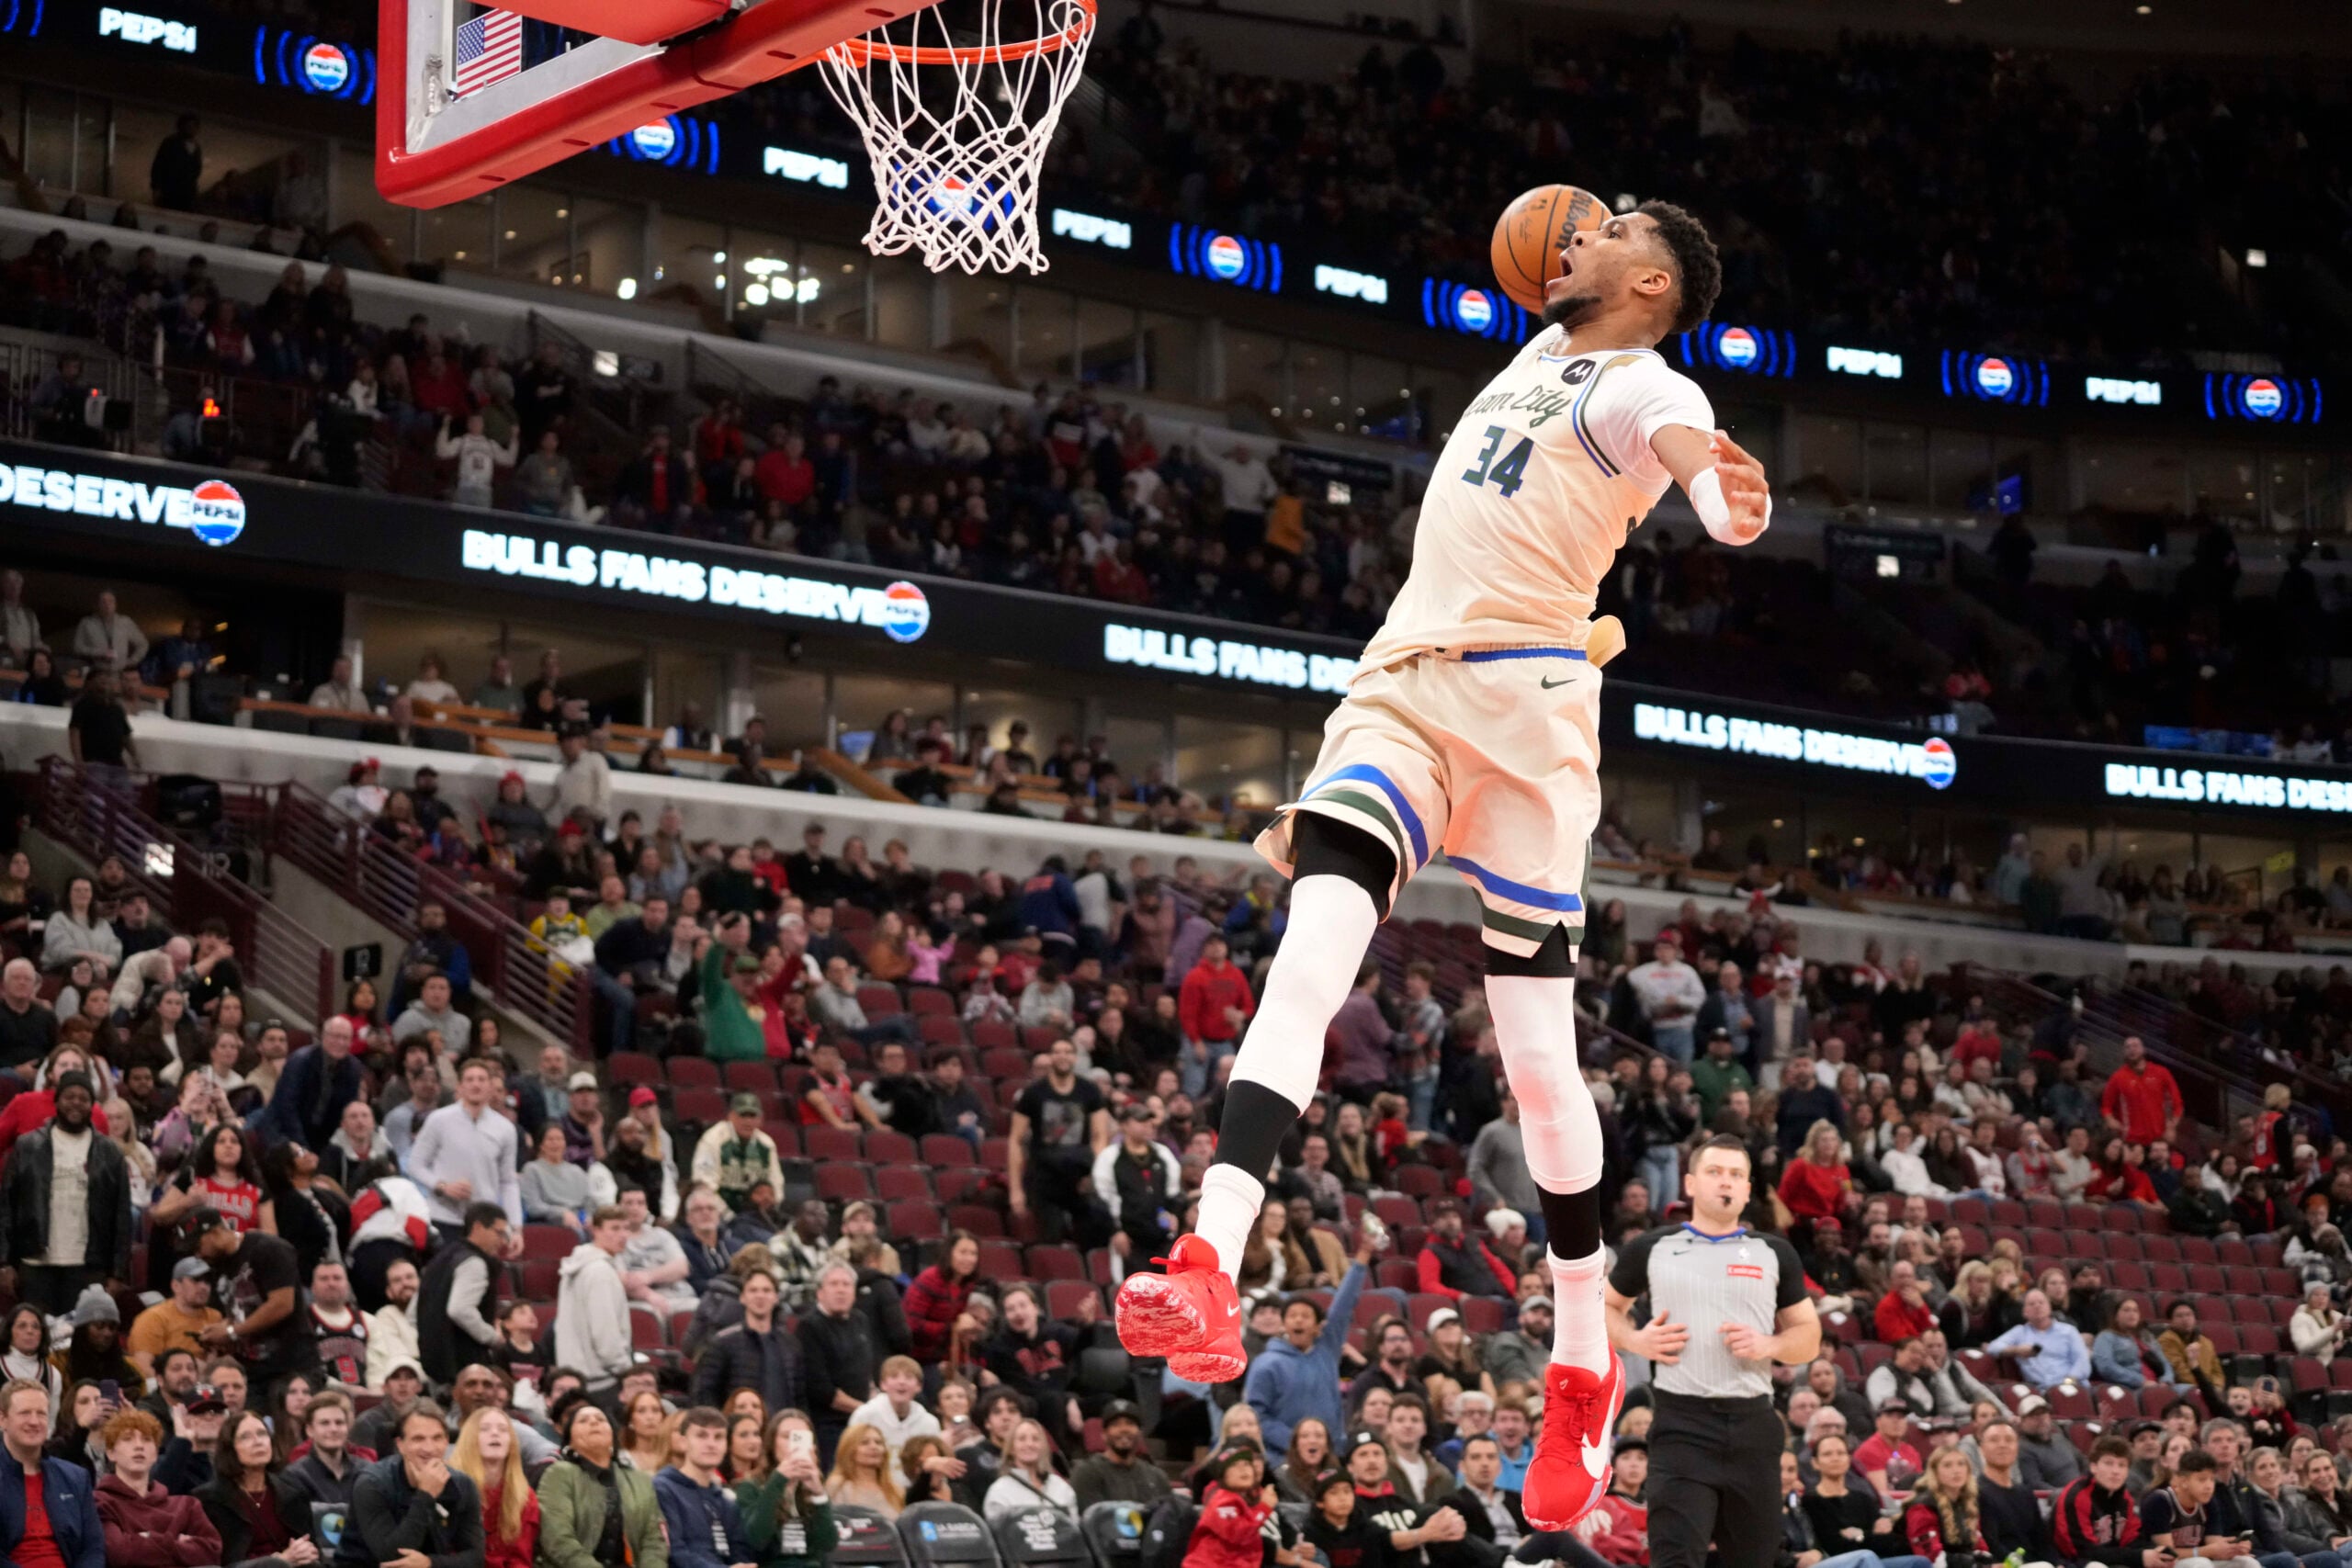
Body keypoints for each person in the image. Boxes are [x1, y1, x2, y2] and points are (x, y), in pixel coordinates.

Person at [1116, 202, 1758, 1535]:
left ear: (1651, 279)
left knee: (1536, 1059)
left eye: (1608, 231)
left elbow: (1685, 447)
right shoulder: (1541, 351)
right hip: (1402, 694)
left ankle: (1583, 1351)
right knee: (1312, 952)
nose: (1569, 237)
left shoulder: (1648, 378)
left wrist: (1717, 493)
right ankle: (1207, 1260)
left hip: (1527, 717)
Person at [1606, 1135, 1822, 1565]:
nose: (1725, 1182)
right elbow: (1604, 1309)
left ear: (1746, 1190)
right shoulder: (1652, 1247)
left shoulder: (1774, 1253)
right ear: (1690, 1183)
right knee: (1676, 1558)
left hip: (1754, 1427)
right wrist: (1634, 1339)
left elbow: (1809, 1337)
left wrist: (1770, 1343)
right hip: (1681, 1426)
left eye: (1736, 1175)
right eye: (1714, 1172)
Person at [0, 1071, 132, 1315]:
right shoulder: (27, 1146)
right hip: (35, 1263)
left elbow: (121, 1216)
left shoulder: (110, 1153)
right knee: (38, 1339)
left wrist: (118, 1272)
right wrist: (4, 1262)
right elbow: (6, 1207)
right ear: (57, 1101)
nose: (76, 1103)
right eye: (70, 1096)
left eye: (83, 1098)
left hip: (88, 1266)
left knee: (77, 1343)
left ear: (92, 1105)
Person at [339, 1403, 484, 1568]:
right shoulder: (371, 1484)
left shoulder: (463, 1485)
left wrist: (430, 1563)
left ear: (446, 1441)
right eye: (418, 1439)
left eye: (437, 1438)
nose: (429, 1448)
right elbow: (392, 1557)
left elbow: (475, 1558)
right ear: (401, 1445)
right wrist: (426, 1495)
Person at [181, 1208, 308, 1389]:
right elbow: (240, 1311)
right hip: (252, 1369)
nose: (198, 1255)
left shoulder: (268, 1248)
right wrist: (221, 1329)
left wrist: (232, 1332)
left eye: (197, 1246)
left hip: (291, 1367)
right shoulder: (219, 1264)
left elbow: (282, 1304)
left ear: (215, 1233)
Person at [1008, 1037, 1110, 1246]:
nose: (1062, 1056)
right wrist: (1015, 1189)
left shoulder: (1089, 1091)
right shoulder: (1034, 1093)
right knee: (1050, 1240)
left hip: (1079, 1176)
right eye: (1057, 1051)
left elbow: (1100, 1136)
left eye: (1067, 1051)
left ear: (1075, 1057)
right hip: (1044, 1177)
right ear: (1050, 1057)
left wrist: (1095, 1173)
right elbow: (1015, 1140)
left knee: (1090, 1237)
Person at [537, 1403, 665, 1568]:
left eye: (600, 1419)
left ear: (613, 1436)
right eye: (583, 1421)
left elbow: (654, 1540)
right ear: (570, 1441)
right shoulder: (559, 1474)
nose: (594, 1422)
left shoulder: (640, 1480)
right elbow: (557, 1538)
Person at [95, 1407, 221, 1567]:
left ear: (155, 1453)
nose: (139, 1446)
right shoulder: (101, 1503)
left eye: (147, 1439)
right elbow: (121, 1554)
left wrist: (148, 1538)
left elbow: (212, 1552)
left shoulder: (187, 1505)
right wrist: (176, 1542)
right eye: (128, 1439)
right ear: (111, 1453)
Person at [195, 1409, 317, 1568]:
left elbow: (311, 1544)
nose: (258, 1441)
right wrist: (280, 1560)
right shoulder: (209, 1499)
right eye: (245, 1437)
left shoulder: (293, 1491)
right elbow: (219, 1559)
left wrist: (307, 1551)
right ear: (230, 1448)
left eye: (262, 1434)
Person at [0, 1378, 102, 1568]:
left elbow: (93, 1547)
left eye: (41, 1413)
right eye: (24, 1413)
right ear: (2, 1419)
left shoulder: (76, 1478)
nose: (34, 1421)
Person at [419, 1204, 510, 1389]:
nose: (502, 1241)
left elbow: (416, 1310)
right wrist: (492, 1337)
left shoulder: (441, 1258)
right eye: (498, 1233)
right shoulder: (474, 1263)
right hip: (463, 1366)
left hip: (434, 1365)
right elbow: (460, 1310)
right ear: (477, 1227)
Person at [691, 1270, 802, 1415]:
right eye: (753, 1290)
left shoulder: (791, 1345)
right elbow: (704, 1393)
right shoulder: (722, 1343)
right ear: (743, 1297)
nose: (760, 1295)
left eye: (766, 1290)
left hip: (781, 1430)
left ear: (776, 1297)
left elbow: (800, 1398)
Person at [734, 1412, 833, 1568]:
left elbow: (828, 1543)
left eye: (802, 1437)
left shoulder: (812, 1486)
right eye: (787, 1436)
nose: (795, 1444)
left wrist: (819, 1495)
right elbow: (757, 1539)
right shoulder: (751, 1487)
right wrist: (778, 1481)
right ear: (772, 1443)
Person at [554, 1208, 633, 1401]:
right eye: (614, 1228)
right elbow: (604, 1332)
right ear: (595, 1230)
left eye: (625, 1228)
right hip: (601, 1381)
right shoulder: (600, 1272)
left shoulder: (579, 1264)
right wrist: (625, 1368)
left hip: (577, 1376)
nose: (622, 1235)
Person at [654, 1408, 751, 1568]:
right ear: (684, 1442)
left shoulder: (726, 1501)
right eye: (701, 1435)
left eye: (718, 1437)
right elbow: (675, 1552)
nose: (711, 1444)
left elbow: (740, 1552)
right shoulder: (664, 1489)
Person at [2141, 1450, 2264, 1568]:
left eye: (2212, 1479)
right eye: (2202, 1479)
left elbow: (2213, 1543)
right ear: (2184, 1481)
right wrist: (2208, 1551)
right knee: (2201, 1564)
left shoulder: (2209, 1502)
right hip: (2164, 1564)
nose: (2209, 1486)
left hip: (2198, 1561)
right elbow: (2167, 1554)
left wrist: (2232, 1548)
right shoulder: (2160, 1501)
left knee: (2246, 1563)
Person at [448, 1408, 537, 1568]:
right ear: (470, 1440)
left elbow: (521, 1559)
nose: (495, 1433)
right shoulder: (449, 1486)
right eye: (485, 1429)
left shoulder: (525, 1496)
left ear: (512, 1444)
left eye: (503, 1430)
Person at [2053, 1435, 2152, 1568]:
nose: (2115, 1471)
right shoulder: (2076, 1496)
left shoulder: (2125, 1498)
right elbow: (2083, 1552)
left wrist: (2153, 1552)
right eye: (2108, 1463)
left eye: (2122, 1465)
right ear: (2093, 1467)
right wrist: (2138, 1557)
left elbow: (2132, 1538)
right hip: (2071, 1562)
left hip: (2111, 1560)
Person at [1184, 1444, 1278, 1568]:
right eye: (1234, 1465)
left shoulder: (1242, 1499)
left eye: (1246, 1464)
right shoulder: (1222, 1501)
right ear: (1223, 1476)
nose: (1243, 1469)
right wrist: (1264, 1507)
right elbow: (1238, 1535)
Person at [1071, 1399, 1170, 1511]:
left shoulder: (1157, 1476)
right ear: (1104, 1434)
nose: (1124, 1429)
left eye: (1130, 1423)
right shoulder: (1087, 1472)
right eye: (1115, 1424)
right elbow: (1092, 1520)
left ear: (1140, 1433)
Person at [1984, 1291, 2092, 1390]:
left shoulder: (2068, 1331)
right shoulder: (2020, 1332)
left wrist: (2067, 1382)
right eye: (2031, 1304)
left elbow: (2082, 1363)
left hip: (2073, 1386)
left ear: (2049, 1307)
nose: (2037, 1306)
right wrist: (2016, 1350)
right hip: (2041, 1390)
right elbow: (1993, 1347)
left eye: (2041, 1302)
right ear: (2025, 1312)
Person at [1903, 1447, 1988, 1565]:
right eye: (1947, 1465)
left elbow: (1979, 1546)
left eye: (1961, 1464)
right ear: (1935, 1472)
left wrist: (1987, 1563)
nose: (1956, 1470)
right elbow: (1930, 1558)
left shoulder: (1967, 1502)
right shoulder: (1922, 1507)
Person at [981, 1418, 1076, 1519]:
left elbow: (1074, 1527)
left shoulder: (1061, 1487)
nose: (1029, 1444)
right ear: (1011, 1448)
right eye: (1022, 1439)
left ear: (1043, 1446)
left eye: (1035, 1439)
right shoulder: (999, 1491)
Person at [820, 1424, 899, 1517]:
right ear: (849, 1449)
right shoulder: (837, 1485)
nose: (874, 1447)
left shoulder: (896, 1490)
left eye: (878, 1442)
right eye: (865, 1443)